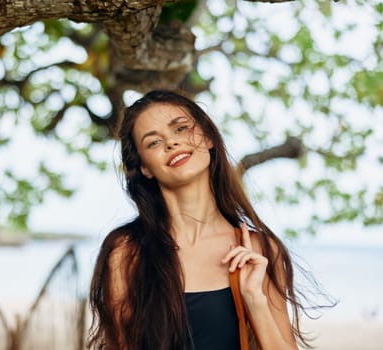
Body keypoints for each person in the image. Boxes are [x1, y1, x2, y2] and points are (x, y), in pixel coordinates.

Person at [88, 90, 311, 350]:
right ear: (144, 167)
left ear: (207, 137)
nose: (171, 143)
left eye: (181, 129)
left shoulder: (261, 249)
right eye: (153, 143)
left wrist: (254, 300)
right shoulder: (127, 252)